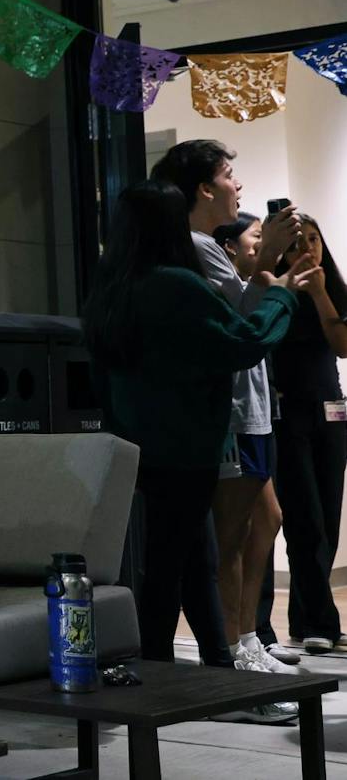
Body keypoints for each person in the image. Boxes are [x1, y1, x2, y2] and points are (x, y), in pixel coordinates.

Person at [82, 180, 313, 704]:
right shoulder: (174, 284)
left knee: (184, 563)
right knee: (179, 568)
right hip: (186, 443)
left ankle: (211, 676)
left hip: (138, 445)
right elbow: (243, 342)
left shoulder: (112, 288)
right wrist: (279, 295)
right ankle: (180, 683)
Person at [152, 141, 302, 679]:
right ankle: (233, 647)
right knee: (231, 533)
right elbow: (237, 319)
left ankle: (247, 636)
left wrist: (276, 276)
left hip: (253, 409)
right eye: (229, 174)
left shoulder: (205, 245)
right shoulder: (195, 245)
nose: (238, 185)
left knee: (267, 520)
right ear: (204, 189)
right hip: (231, 412)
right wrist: (268, 269)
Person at [266, 216, 347, 654]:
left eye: (313, 240)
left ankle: (305, 618)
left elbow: (343, 346)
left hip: (332, 412)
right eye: (297, 244)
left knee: (328, 521)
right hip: (286, 414)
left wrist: (319, 293)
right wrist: (293, 289)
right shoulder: (274, 292)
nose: (307, 250)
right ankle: (321, 623)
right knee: (304, 521)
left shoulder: (332, 288)